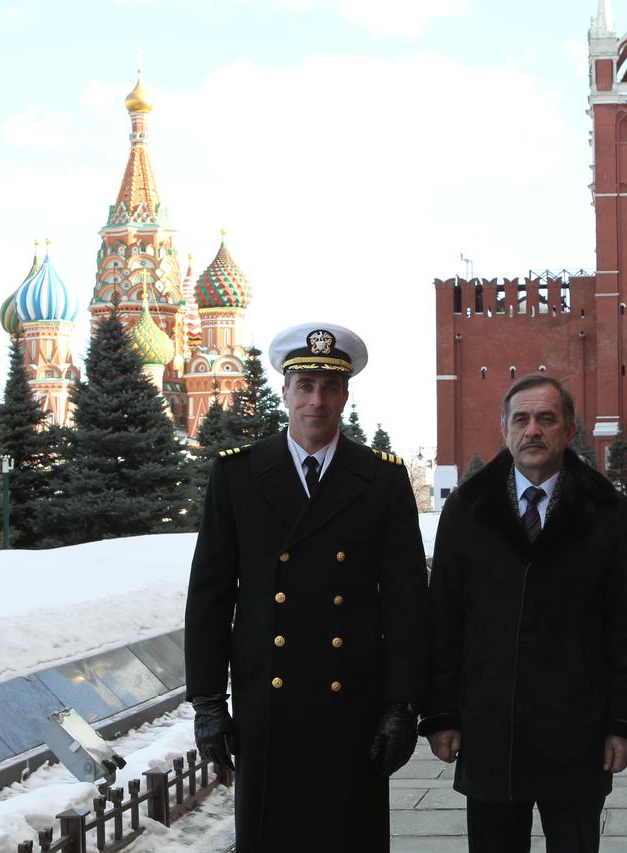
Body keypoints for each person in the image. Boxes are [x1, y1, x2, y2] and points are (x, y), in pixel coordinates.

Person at [184, 323, 430, 852]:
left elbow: (407, 603)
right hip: (266, 704)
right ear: (285, 392)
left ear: (345, 395)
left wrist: (402, 705)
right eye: (305, 386)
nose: (316, 400)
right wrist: (207, 701)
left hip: (353, 704)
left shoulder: (381, 478)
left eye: (330, 387)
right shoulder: (238, 475)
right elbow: (209, 595)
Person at [420, 373, 627, 853]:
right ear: (504, 429)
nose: (533, 431)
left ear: (569, 430)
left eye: (546, 419)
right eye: (521, 419)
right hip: (490, 728)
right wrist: (441, 713)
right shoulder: (468, 509)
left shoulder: (607, 510)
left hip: (576, 729)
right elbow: (443, 619)